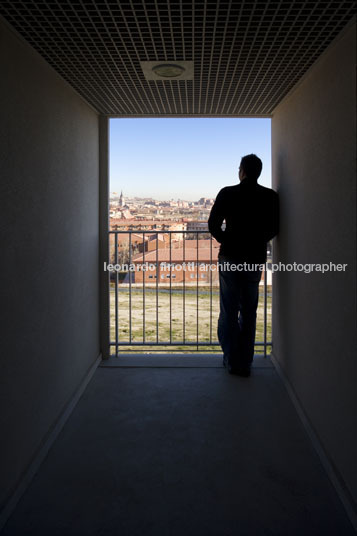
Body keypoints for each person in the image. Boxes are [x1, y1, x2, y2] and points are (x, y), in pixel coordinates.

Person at [208, 154, 279, 377]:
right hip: (254, 258)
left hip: (230, 257)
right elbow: (274, 228)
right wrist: (257, 240)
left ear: (242, 171)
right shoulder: (270, 196)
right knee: (249, 311)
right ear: (259, 171)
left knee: (228, 310)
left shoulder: (227, 193)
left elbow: (213, 225)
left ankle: (231, 359)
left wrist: (226, 239)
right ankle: (245, 363)